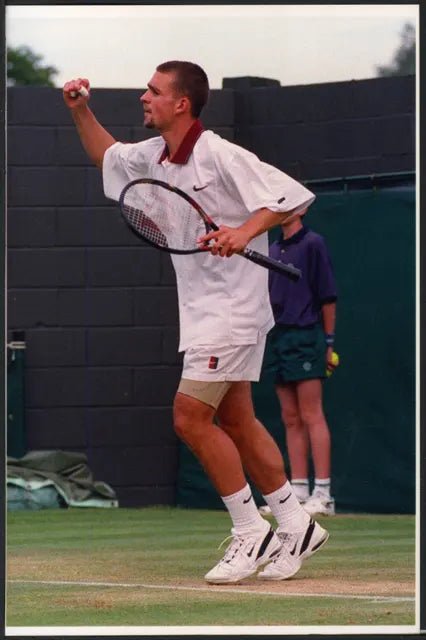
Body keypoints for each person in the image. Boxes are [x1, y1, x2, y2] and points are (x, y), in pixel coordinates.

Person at [63, 60, 329, 583]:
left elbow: (292, 196)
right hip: (206, 311)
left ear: (181, 103)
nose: (144, 97)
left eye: (154, 91)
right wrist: (80, 110)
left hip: (231, 312)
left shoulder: (220, 153)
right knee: (236, 420)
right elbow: (105, 156)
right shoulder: (151, 155)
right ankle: (297, 523)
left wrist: (242, 230)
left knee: (188, 418)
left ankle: (250, 531)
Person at [260, 212, 337, 517]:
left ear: (301, 208)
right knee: (290, 417)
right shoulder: (271, 249)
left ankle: (324, 494)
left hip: (306, 336)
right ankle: (300, 490)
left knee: (311, 414)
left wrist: (328, 343)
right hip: (279, 338)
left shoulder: (314, 243)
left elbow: (328, 297)